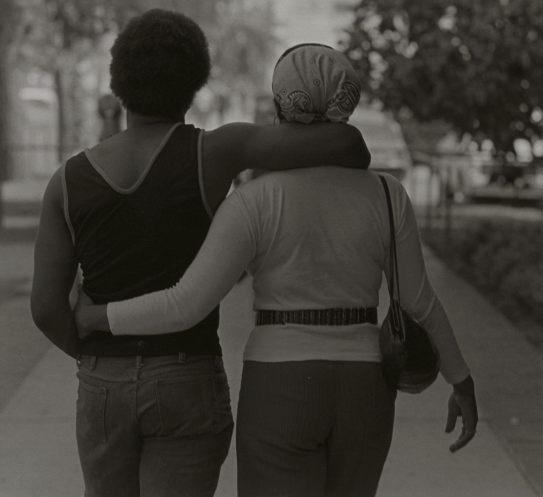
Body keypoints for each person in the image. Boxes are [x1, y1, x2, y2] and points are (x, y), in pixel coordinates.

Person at [74, 44, 478, 497]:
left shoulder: (256, 200)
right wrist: (461, 380)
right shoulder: (388, 194)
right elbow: (419, 301)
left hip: (281, 383)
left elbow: (185, 304)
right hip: (366, 385)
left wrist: (97, 316)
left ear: (280, 103)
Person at [29, 11, 371, 497]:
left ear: (117, 82)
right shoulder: (215, 151)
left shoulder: (66, 182)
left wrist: (101, 360)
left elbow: (45, 307)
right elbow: (348, 142)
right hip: (187, 377)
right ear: (195, 83)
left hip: (104, 383)